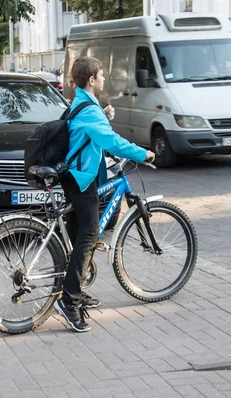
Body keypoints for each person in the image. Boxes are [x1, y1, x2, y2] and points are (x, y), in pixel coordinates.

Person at [54, 56, 155, 332]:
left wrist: (104, 114)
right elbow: (110, 141)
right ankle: (69, 301)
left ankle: (75, 285)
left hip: (77, 175)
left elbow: (91, 129)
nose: (103, 78)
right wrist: (141, 153)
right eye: (100, 75)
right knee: (90, 233)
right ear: (91, 79)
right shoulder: (88, 108)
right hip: (81, 178)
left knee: (79, 237)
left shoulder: (84, 102)